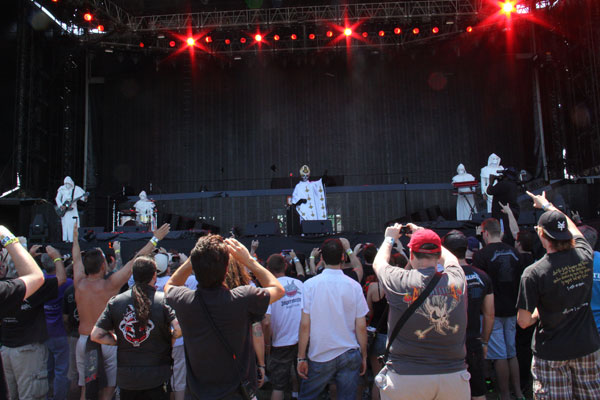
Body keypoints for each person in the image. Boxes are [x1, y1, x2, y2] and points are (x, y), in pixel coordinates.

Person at [164, 235, 284, 399]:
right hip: (237, 394)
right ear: (226, 269)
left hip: (199, 394)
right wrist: (249, 260)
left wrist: (193, 260)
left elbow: (170, 285)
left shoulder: (184, 300)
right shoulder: (242, 298)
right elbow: (278, 289)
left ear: (195, 268)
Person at [73, 222, 170, 400]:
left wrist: (75, 239)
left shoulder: (79, 283)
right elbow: (135, 261)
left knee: (86, 389)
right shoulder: (110, 284)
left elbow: (76, 260)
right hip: (106, 339)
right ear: (103, 266)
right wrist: (155, 239)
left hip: (85, 340)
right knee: (110, 387)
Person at [517, 191, 600, 399]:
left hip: (552, 352)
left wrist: (538, 312)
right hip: (586, 345)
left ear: (541, 234)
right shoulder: (585, 255)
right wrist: (547, 205)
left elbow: (524, 322)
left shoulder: (533, 273)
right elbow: (574, 229)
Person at [372, 224, 469, 400]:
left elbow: (379, 263)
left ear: (411, 255)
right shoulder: (457, 280)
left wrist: (389, 238)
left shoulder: (400, 281)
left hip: (406, 378)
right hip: (453, 377)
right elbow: (452, 259)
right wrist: (425, 234)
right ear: (438, 255)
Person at [91, 256, 182, 399]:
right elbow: (178, 328)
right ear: (154, 276)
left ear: (134, 275)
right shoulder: (162, 300)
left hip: (128, 378)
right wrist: (170, 339)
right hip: (157, 375)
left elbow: (96, 335)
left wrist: (119, 340)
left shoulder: (116, 302)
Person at [296, 238, 369, 400]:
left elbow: (305, 325)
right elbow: (361, 326)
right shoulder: (354, 286)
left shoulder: (310, 285)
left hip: (320, 354)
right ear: (343, 257)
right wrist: (363, 355)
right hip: (349, 353)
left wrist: (301, 357)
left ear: (322, 258)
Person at [1, 244, 66, 400]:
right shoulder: (31, 289)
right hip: (27, 352)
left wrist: (28, 256)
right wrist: (57, 257)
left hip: (6, 350)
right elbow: (60, 279)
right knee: (31, 396)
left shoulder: (5, 288)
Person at [472, 218, 525, 400]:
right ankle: (518, 392)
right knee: (511, 352)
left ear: (485, 233)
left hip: (492, 310)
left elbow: (479, 283)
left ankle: (505, 395)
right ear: (500, 233)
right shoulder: (514, 252)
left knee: (499, 355)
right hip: (512, 308)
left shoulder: (481, 255)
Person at [442, 230, 495, 400]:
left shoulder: (441, 279)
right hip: (473, 342)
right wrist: (484, 341)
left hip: (448, 344)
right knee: (478, 391)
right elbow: (489, 314)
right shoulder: (482, 276)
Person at [0, 226, 46, 399]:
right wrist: (8, 238)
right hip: (24, 350)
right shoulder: (4, 290)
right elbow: (36, 277)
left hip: (9, 349)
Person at [263, 254, 304, 400]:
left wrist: (267, 343)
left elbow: (266, 322)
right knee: (303, 379)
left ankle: (294, 393)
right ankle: (296, 393)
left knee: (278, 386)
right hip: (301, 341)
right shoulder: (299, 284)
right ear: (285, 266)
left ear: (268, 269)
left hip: (280, 343)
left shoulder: (269, 290)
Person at [55, 176, 88, 242]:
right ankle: (66, 240)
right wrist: (61, 205)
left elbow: (83, 198)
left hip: (73, 210)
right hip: (64, 211)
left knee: (73, 224)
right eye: (66, 183)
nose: (67, 185)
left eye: (68, 183)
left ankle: (73, 240)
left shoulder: (76, 189)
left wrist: (85, 197)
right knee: (65, 225)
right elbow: (57, 198)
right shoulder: (61, 189)